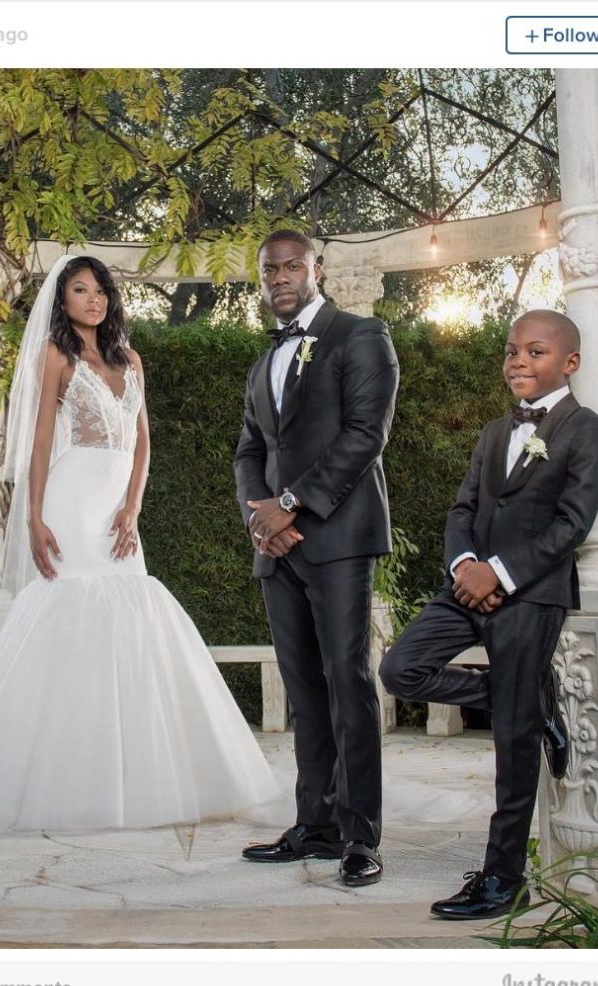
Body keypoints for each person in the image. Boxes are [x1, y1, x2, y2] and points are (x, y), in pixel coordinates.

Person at [0, 255, 278, 831]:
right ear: (62, 302)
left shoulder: (131, 360)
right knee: (68, 617)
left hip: (116, 512)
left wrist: (133, 507)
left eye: (99, 290)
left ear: (110, 299)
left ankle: (136, 778)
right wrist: (34, 516)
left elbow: (143, 445)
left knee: (130, 620)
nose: (92, 299)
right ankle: (58, 783)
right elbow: (39, 444)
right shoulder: (56, 356)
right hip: (70, 500)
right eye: (79, 290)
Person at [379, 310, 598, 920]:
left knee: (512, 745)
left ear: (569, 362)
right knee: (400, 669)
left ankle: (503, 878)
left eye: (534, 352)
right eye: (511, 351)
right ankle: (529, 698)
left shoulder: (587, 430)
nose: (516, 362)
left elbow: (571, 524)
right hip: (465, 588)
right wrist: (463, 567)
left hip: (531, 594)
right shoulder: (491, 433)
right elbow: (463, 507)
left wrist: (500, 574)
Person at [234, 230, 399, 886]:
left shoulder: (360, 336)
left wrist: (292, 505)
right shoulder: (260, 361)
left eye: (290, 266)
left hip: (337, 540)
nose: (278, 277)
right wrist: (259, 518)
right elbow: (249, 449)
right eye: (269, 269)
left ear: (315, 269)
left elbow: (366, 434)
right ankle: (316, 824)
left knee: (346, 682)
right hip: (276, 549)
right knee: (303, 690)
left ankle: (360, 838)